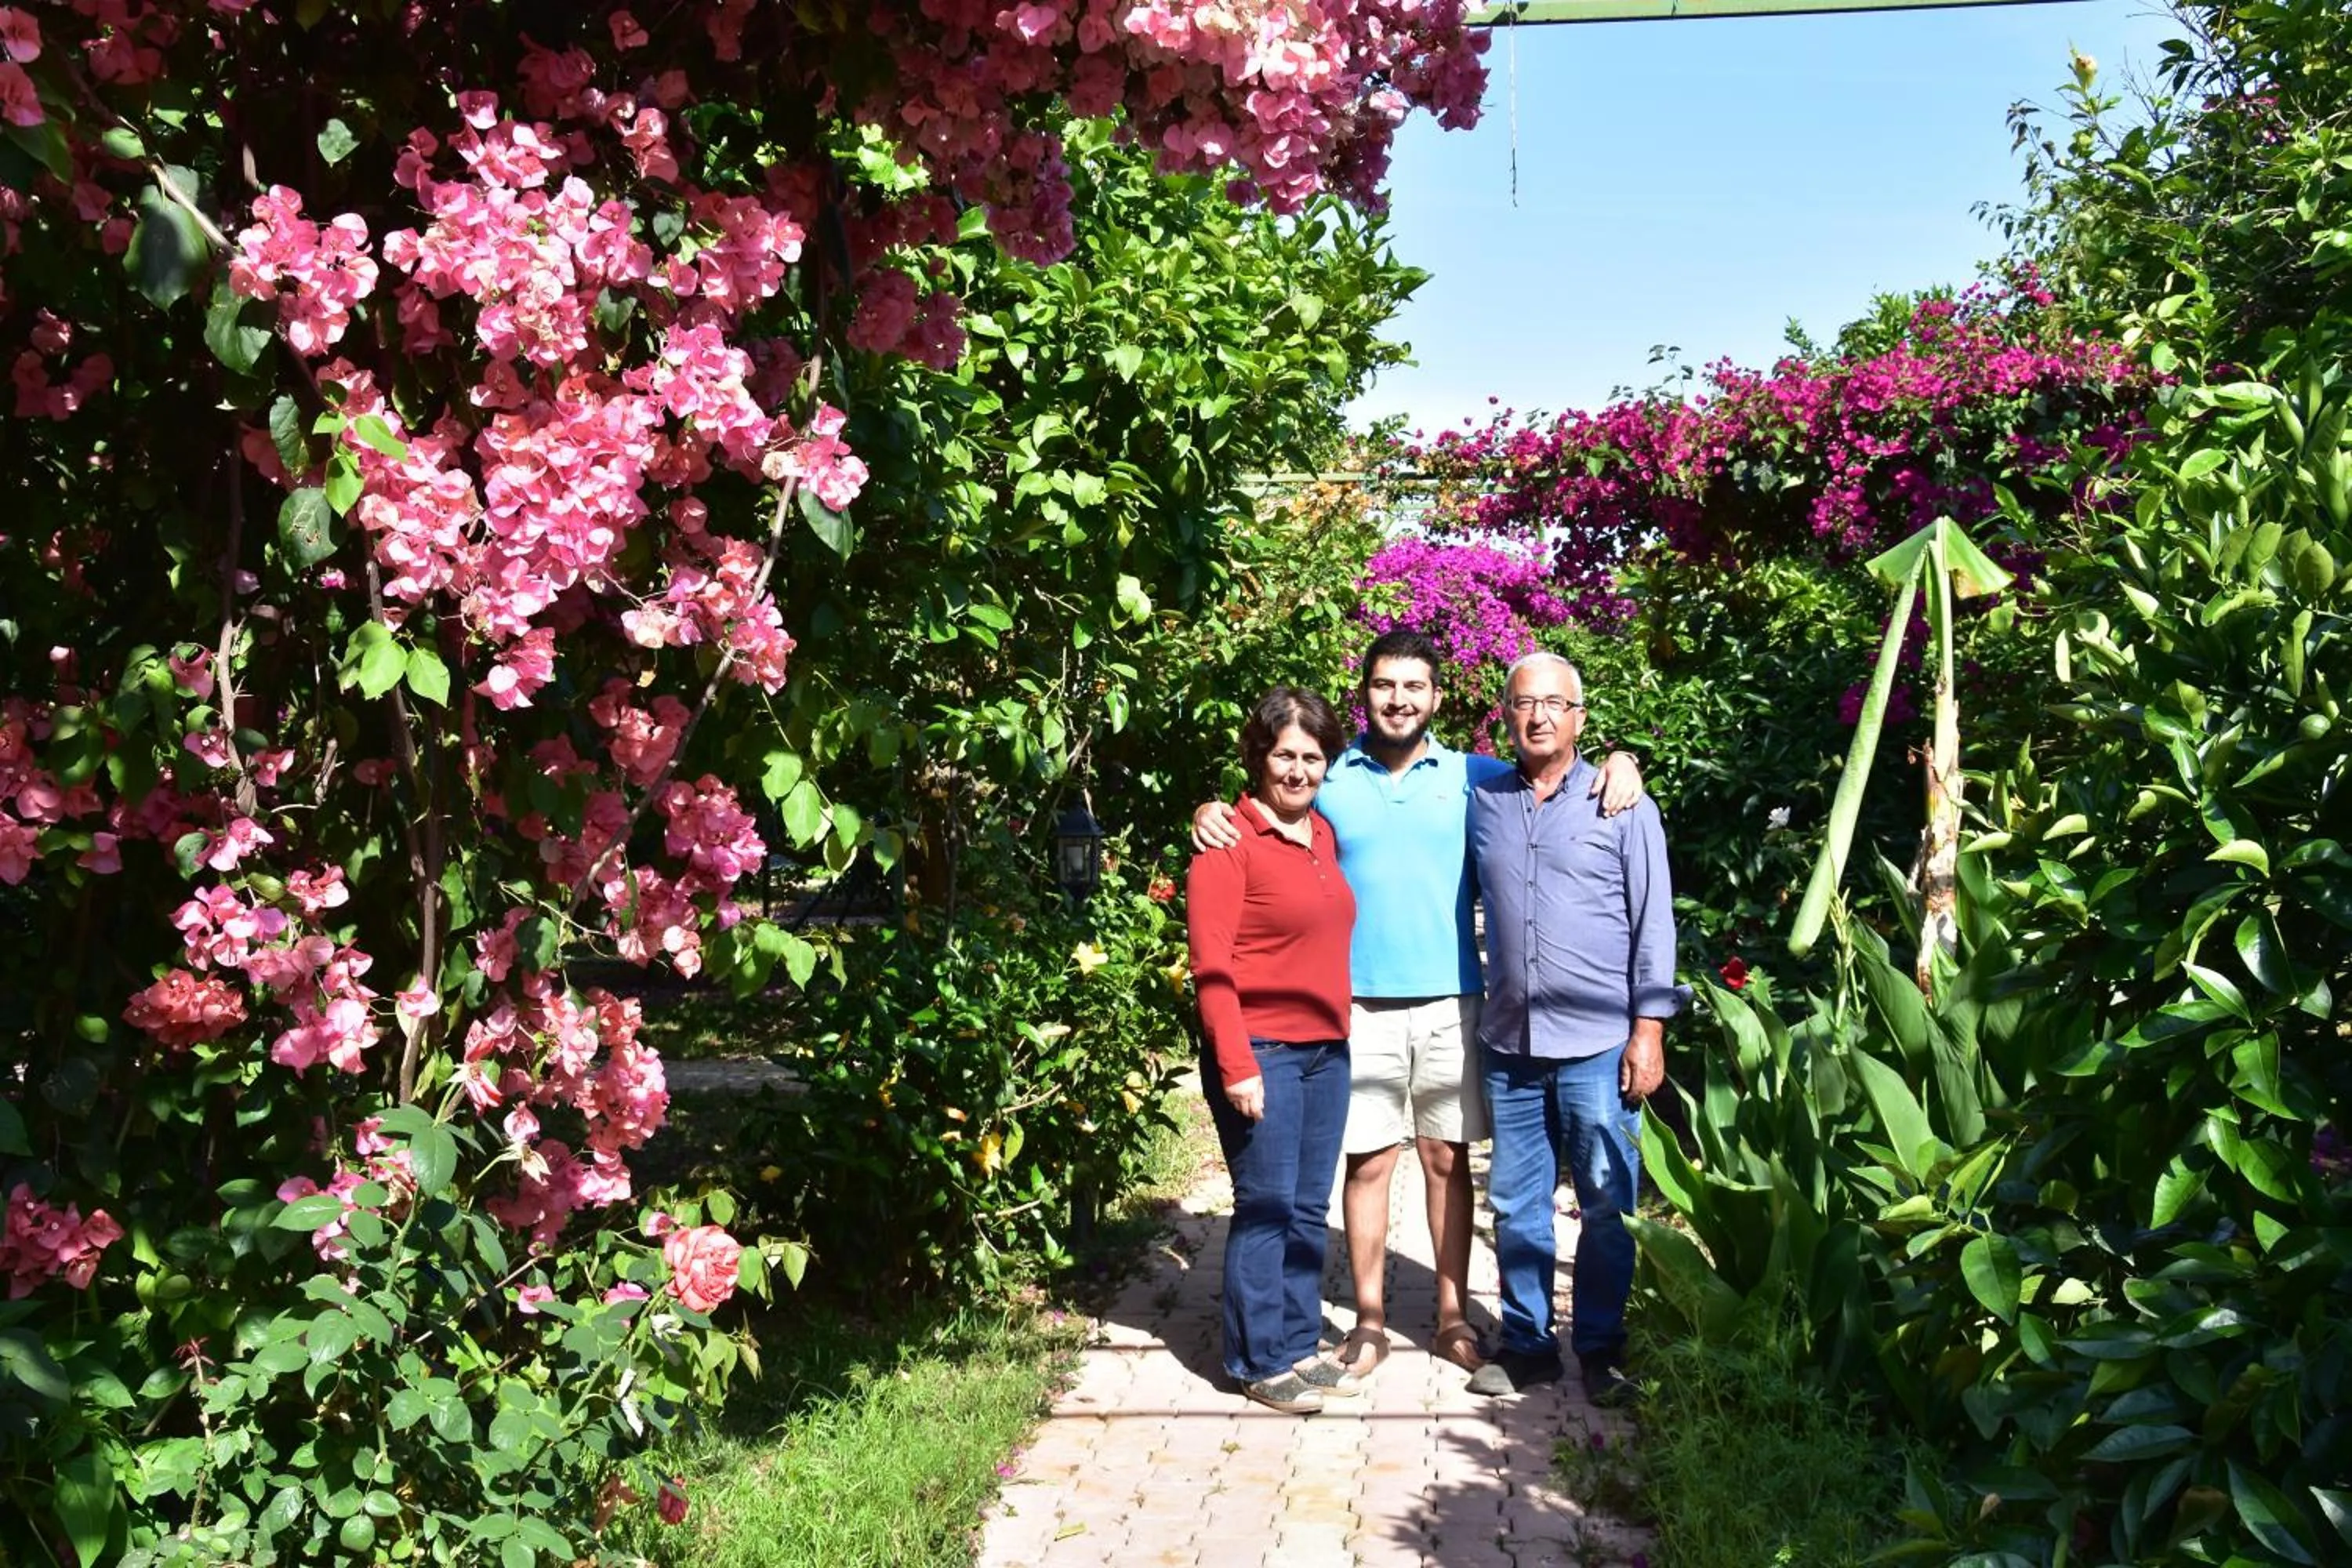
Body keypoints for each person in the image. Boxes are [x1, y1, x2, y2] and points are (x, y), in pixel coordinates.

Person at [1192, 631, 1642, 1381]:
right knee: (1368, 1161)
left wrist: (1621, 763)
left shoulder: (1475, 777)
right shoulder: (1331, 778)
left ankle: (1452, 1317)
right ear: (1364, 694)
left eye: (1414, 688)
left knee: (1445, 1158)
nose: (1398, 700)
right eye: (1383, 686)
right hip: (1354, 1007)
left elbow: (1557, 773)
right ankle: (1368, 1321)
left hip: (1454, 1000)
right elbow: (1268, 802)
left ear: (1437, 698)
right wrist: (1210, 808)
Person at [1465, 652, 1681, 1409]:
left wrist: (1647, 1030)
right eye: (1525, 703)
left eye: (1556, 703)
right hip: (1511, 1045)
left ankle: (1600, 1346)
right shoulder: (1479, 797)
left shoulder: (1619, 803)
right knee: (1517, 1204)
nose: (1540, 716)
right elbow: (1396, 769)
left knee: (1606, 1203)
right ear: (1507, 714)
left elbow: (1654, 923)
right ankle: (1527, 1345)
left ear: (1580, 718)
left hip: (1598, 1045)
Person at [1186, 686, 1363, 1415]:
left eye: (1312, 757)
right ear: (1259, 758)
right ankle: (1256, 1359)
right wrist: (1237, 1065)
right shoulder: (1228, 845)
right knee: (1264, 1206)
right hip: (1263, 1050)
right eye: (1284, 755)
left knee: (1306, 1205)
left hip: (1326, 1050)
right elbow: (1212, 968)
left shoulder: (1321, 835)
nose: (1297, 771)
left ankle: (1295, 1342)